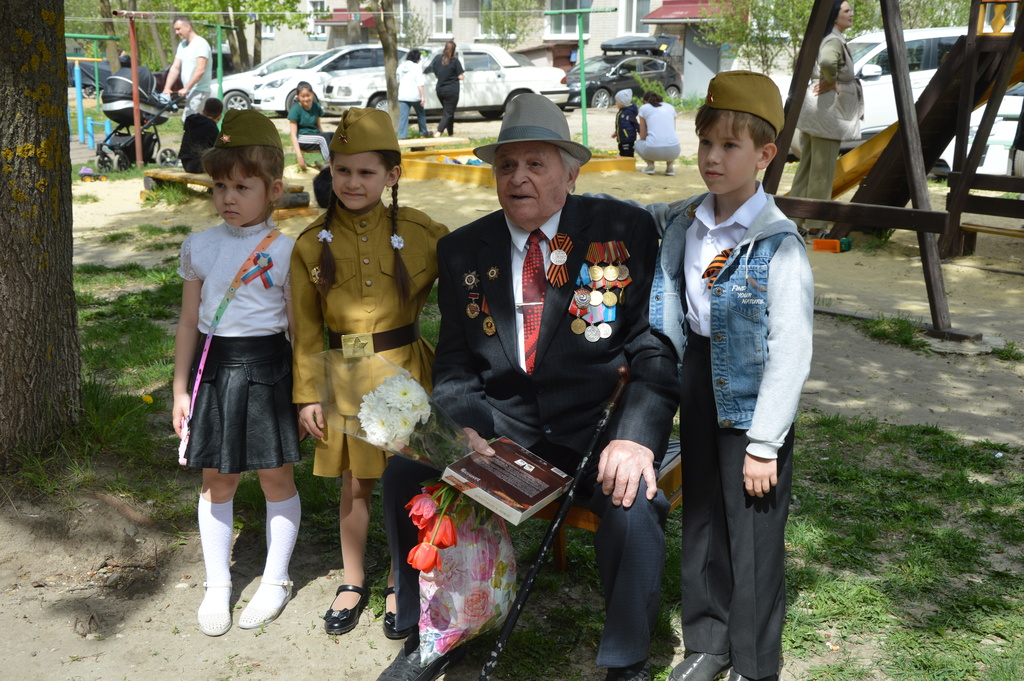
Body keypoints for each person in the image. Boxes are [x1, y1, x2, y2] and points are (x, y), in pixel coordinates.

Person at [376, 93, 679, 681]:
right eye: (506, 165)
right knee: (407, 471)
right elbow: (458, 366)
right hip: (504, 428)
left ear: (570, 172)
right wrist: (459, 424)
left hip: (595, 427)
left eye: (535, 164)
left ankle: (628, 661)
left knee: (633, 504)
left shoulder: (622, 230)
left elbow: (651, 348)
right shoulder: (463, 250)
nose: (518, 178)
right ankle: (431, 633)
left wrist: (638, 436)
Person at [640, 71, 813, 681]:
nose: (712, 158)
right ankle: (707, 644)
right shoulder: (687, 221)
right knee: (705, 517)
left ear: (765, 156)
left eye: (730, 146)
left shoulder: (778, 245)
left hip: (752, 398)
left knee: (754, 535)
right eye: (705, 141)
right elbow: (629, 219)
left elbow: (789, 349)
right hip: (697, 382)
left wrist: (765, 444)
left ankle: (754, 662)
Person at [290, 108, 448, 640]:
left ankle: (402, 579)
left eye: (366, 172)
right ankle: (354, 580)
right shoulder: (310, 244)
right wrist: (307, 395)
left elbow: (465, 295)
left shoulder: (425, 235)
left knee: (409, 481)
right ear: (330, 171)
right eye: (342, 171)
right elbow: (307, 330)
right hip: (344, 379)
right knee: (356, 485)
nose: (353, 183)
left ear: (392, 176)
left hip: (405, 372)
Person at [172, 110, 302, 638]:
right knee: (216, 479)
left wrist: (306, 390)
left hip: (270, 369)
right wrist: (180, 389)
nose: (228, 197)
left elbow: (297, 328)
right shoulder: (199, 247)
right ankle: (218, 585)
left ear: (273, 190)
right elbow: (187, 322)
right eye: (218, 186)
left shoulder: (289, 250)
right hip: (216, 370)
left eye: (241, 186)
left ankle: (274, 580)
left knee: (275, 475)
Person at [790, 0, 862, 238]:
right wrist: (830, 80)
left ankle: (795, 219)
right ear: (834, 16)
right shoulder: (832, 40)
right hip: (828, 112)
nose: (851, 14)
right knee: (822, 170)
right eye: (846, 11)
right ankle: (816, 224)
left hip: (819, 111)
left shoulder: (828, 38)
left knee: (808, 167)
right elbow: (828, 62)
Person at [162, 15, 213, 119]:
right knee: (194, 123)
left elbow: (200, 69)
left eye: (178, 29)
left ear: (188, 27)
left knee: (189, 121)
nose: (176, 32)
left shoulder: (200, 44)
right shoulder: (182, 45)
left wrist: (186, 88)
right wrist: (167, 88)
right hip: (191, 90)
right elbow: (175, 68)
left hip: (199, 90)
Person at [287, 81, 333, 169]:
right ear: (298, 97)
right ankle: (330, 167)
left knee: (333, 136)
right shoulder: (296, 109)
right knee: (322, 138)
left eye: (308, 95)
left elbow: (319, 126)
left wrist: (325, 137)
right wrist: (299, 156)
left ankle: (340, 163)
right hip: (302, 138)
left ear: (312, 94)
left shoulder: (316, 106)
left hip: (315, 136)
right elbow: (293, 134)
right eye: (303, 96)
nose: (306, 99)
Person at [636, 90, 681, 176]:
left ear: (645, 102)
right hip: (674, 151)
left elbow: (642, 136)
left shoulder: (644, 108)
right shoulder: (670, 107)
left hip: (653, 150)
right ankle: (670, 166)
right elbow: (672, 130)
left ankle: (650, 164)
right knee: (669, 139)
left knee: (638, 144)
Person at [178, 97, 223, 173]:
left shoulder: (192, 121)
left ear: (203, 111)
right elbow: (219, 143)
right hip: (199, 165)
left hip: (186, 164)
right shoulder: (211, 126)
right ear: (219, 117)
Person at [430, 41, 463, 138]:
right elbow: (461, 76)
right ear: (453, 50)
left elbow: (436, 75)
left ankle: (450, 134)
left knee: (449, 112)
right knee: (448, 112)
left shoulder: (437, 59)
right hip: (452, 90)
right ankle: (438, 132)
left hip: (440, 90)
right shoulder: (454, 61)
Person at [397, 50, 428, 139]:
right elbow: (420, 84)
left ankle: (402, 136)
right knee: (421, 114)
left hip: (403, 95)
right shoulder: (417, 67)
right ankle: (423, 132)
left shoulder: (400, 67)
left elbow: (398, 81)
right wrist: (423, 97)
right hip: (415, 96)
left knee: (403, 117)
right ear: (417, 58)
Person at [613, 89, 639, 157]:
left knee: (628, 153)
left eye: (617, 101)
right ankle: (623, 165)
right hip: (622, 138)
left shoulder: (628, 113)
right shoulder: (622, 112)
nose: (615, 103)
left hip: (628, 138)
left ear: (622, 102)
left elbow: (635, 123)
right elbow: (621, 124)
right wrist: (616, 132)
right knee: (622, 152)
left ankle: (629, 166)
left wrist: (640, 131)